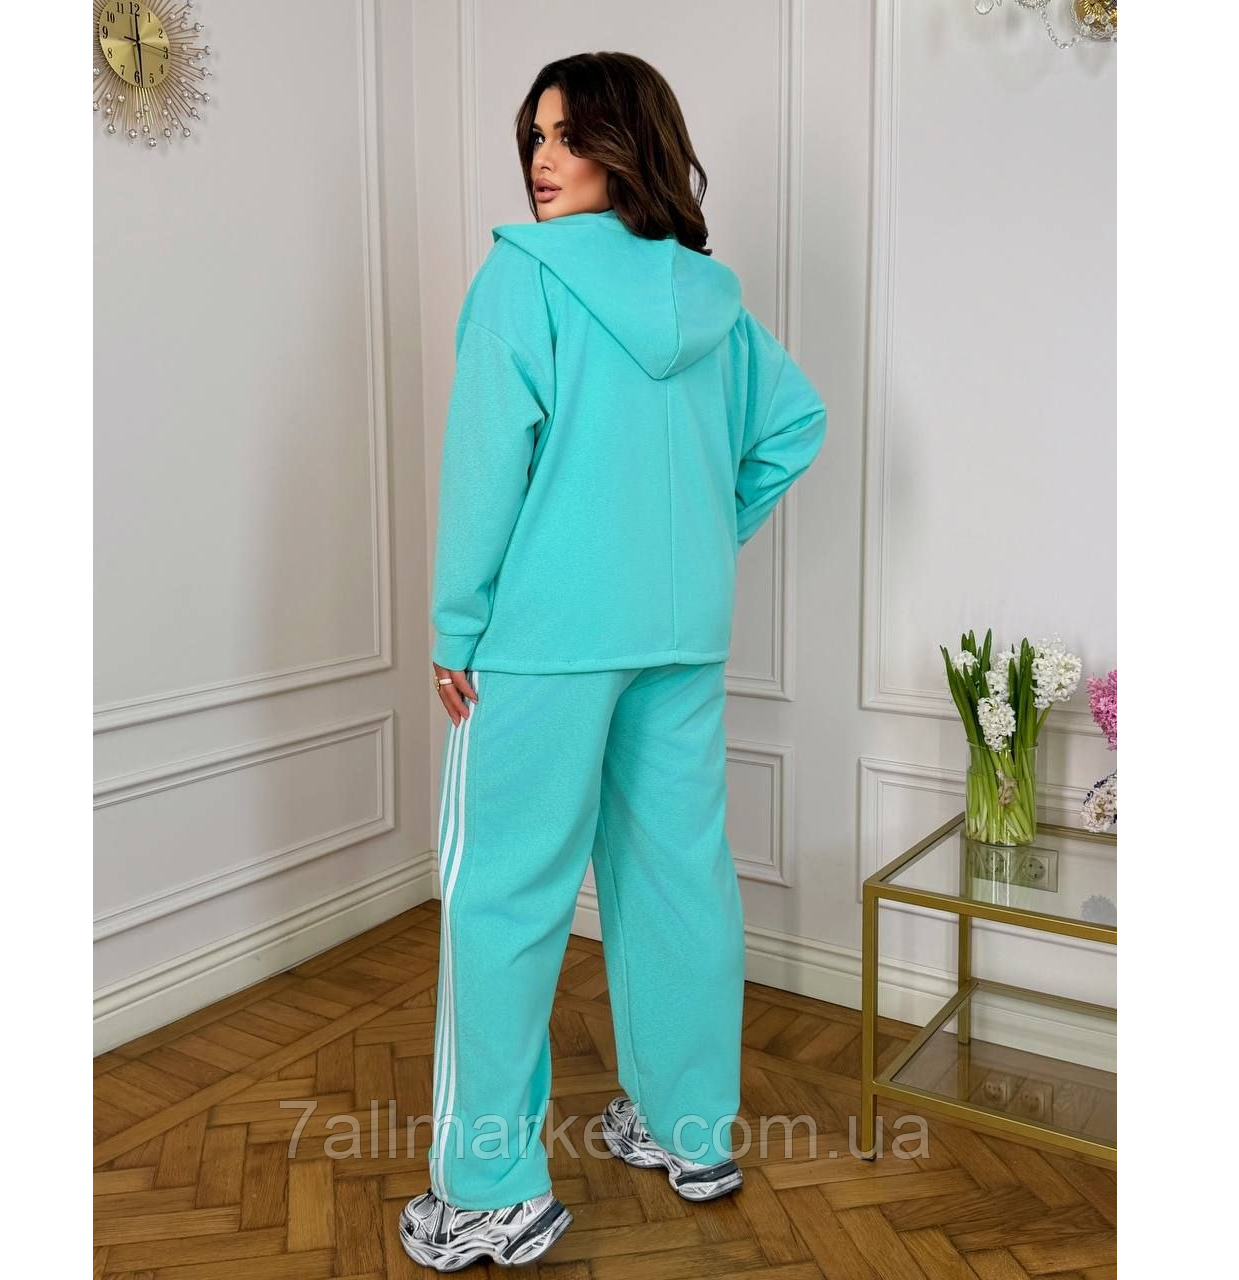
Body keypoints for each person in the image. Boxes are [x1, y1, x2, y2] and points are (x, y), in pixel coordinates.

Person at [400, 51, 828, 1271]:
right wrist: (695, 536)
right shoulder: (709, 297)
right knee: (678, 879)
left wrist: (455, 624)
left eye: (569, 134)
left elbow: (485, 468)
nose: (542, 160)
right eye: (534, 136)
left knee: (502, 895)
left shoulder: (520, 279)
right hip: (678, 637)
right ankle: (692, 1131)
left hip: (542, 645)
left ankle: (486, 1190)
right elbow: (792, 424)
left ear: (624, 142)